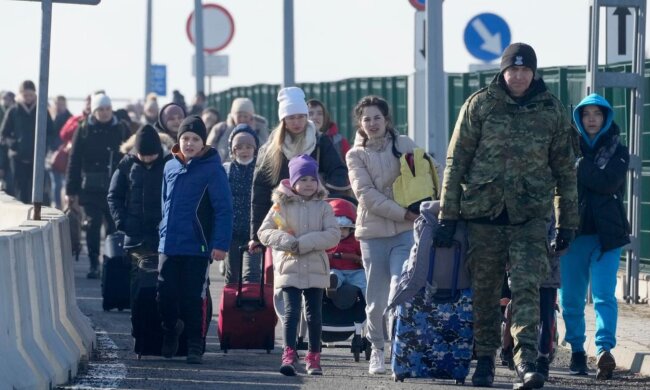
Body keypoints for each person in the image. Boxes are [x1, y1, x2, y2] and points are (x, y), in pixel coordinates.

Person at [433, 42, 578, 389]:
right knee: (484, 293)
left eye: (525, 70)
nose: (518, 76)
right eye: (513, 70)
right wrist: (447, 215)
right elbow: (456, 163)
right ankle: (483, 360)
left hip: (529, 217)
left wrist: (568, 221)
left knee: (527, 287)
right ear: (502, 71)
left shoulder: (551, 110)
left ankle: (526, 360)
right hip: (484, 215)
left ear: (534, 73)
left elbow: (565, 171)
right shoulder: (480, 105)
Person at [346, 95, 421, 375]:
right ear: (360, 124)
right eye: (367, 119)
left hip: (405, 232)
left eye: (377, 117)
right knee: (376, 299)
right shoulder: (355, 155)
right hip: (373, 234)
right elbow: (366, 196)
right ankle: (377, 348)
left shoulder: (405, 144)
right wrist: (404, 213)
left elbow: (430, 173)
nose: (372, 123)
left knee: (399, 290)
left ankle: (399, 350)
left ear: (387, 120)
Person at [558, 93, 630, 381]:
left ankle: (603, 351)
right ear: (578, 118)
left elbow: (608, 182)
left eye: (597, 114)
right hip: (572, 234)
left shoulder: (618, 150)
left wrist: (578, 166)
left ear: (606, 118)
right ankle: (577, 349)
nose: (591, 119)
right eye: (586, 114)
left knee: (603, 295)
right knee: (572, 298)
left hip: (607, 236)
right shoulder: (564, 149)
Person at [157, 115, 232, 364]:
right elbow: (164, 203)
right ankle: (170, 329)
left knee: (193, 297)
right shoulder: (169, 166)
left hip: (198, 246)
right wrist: (162, 231)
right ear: (179, 140)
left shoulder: (213, 169)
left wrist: (220, 244)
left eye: (195, 139)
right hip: (169, 244)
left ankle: (194, 345)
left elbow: (224, 209)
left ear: (203, 142)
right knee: (164, 294)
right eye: (185, 138)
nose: (189, 143)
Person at [258, 154, 339, 376]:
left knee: (314, 314)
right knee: (291, 312)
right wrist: (286, 241)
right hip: (289, 266)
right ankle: (289, 354)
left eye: (312, 179)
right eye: (303, 179)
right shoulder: (280, 206)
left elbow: (333, 234)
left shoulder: (324, 207)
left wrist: (304, 243)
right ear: (293, 181)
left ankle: (314, 356)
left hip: (315, 266)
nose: (308, 184)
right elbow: (264, 232)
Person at [249, 87, 349, 254]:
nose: (297, 122)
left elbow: (338, 172)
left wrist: (321, 189)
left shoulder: (319, 142)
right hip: (283, 223)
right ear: (283, 120)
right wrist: (256, 236)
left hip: (315, 219)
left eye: (301, 117)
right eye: (291, 118)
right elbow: (260, 191)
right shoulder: (272, 150)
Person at [65, 92, 130, 279]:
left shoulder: (121, 128)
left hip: (115, 187)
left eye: (108, 108)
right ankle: (94, 263)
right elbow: (74, 160)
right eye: (100, 109)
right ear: (94, 111)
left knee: (114, 227)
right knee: (92, 226)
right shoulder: (84, 129)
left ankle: (111, 262)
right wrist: (71, 190)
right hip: (90, 189)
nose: (105, 112)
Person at [107, 124, 168, 307]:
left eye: (152, 155)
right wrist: (122, 222)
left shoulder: (170, 164)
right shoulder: (127, 165)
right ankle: (139, 323)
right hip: (136, 236)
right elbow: (114, 196)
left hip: (163, 235)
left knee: (162, 281)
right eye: (144, 155)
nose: (148, 159)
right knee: (139, 280)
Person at [0, 80, 55, 203]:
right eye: (25, 95)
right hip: (18, 158)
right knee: (20, 191)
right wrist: (14, 145)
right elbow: (4, 134)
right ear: (20, 95)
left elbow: (51, 132)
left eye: (30, 95)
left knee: (37, 191)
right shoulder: (13, 111)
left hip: (37, 159)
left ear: (35, 94)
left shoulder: (42, 111)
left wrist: (45, 148)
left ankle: (35, 214)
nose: (28, 98)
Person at [223, 123, 261, 284]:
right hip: (232, 232)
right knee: (232, 274)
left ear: (255, 149)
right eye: (239, 147)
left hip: (254, 232)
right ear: (233, 150)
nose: (244, 151)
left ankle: (251, 307)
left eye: (248, 147)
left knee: (251, 275)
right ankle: (231, 307)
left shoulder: (260, 170)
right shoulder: (226, 169)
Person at [206, 97, 269, 162]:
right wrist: (230, 130)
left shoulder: (260, 128)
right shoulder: (220, 128)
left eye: (245, 116)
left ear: (251, 117)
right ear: (233, 116)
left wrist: (252, 132)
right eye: (239, 116)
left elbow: (265, 152)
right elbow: (211, 152)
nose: (242, 119)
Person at [325, 198, 366, 298]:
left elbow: (362, 254)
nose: (341, 232)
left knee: (364, 279)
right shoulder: (326, 241)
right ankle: (331, 285)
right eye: (337, 229)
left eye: (344, 229)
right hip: (335, 269)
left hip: (354, 271)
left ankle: (370, 303)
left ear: (351, 229)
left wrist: (361, 260)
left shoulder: (355, 240)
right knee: (333, 275)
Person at [48, 95, 72, 209]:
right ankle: (56, 205)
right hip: (52, 155)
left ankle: (64, 205)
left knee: (64, 183)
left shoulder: (70, 119)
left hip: (65, 156)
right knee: (55, 183)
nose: (59, 106)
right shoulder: (50, 117)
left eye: (61, 104)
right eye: (57, 104)